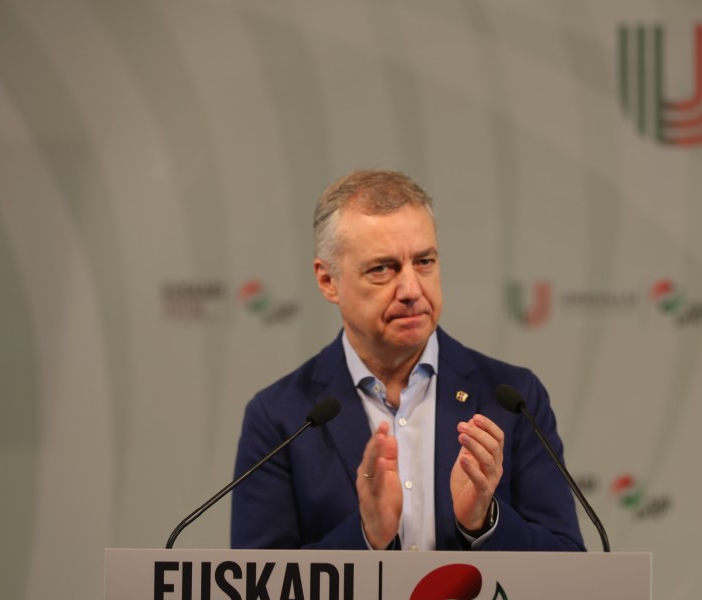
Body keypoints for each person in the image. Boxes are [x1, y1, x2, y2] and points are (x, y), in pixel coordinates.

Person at [230, 169, 584, 551]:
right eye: (382, 268)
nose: (412, 289)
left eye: (424, 261)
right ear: (328, 280)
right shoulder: (281, 417)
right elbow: (258, 582)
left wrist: (484, 522)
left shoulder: (513, 399)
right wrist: (367, 537)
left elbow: (567, 563)